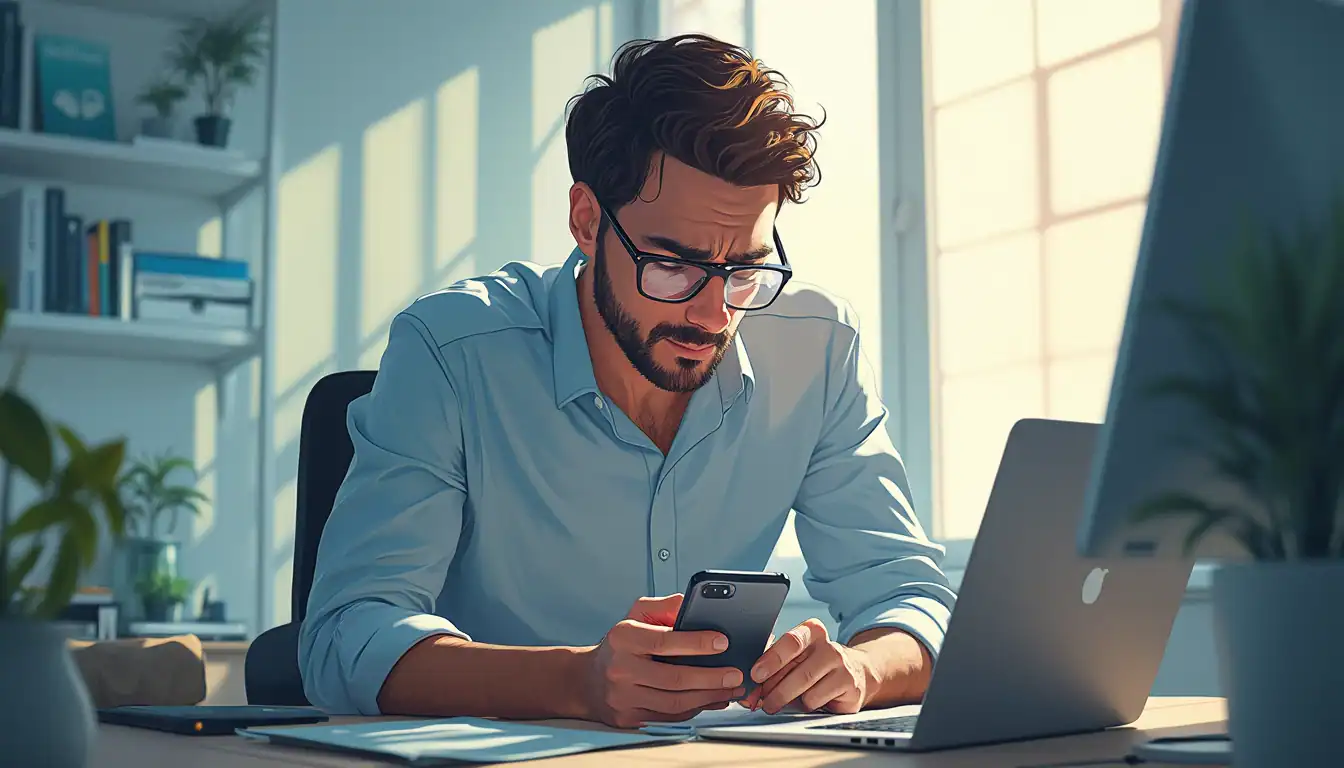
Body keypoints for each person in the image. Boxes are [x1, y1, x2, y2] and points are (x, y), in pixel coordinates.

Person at [299, 34, 957, 728]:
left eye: (744, 270)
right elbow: (346, 638)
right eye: (673, 265)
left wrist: (859, 668)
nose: (712, 313)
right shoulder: (452, 354)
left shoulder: (818, 350)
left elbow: (913, 599)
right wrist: (576, 681)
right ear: (588, 221)